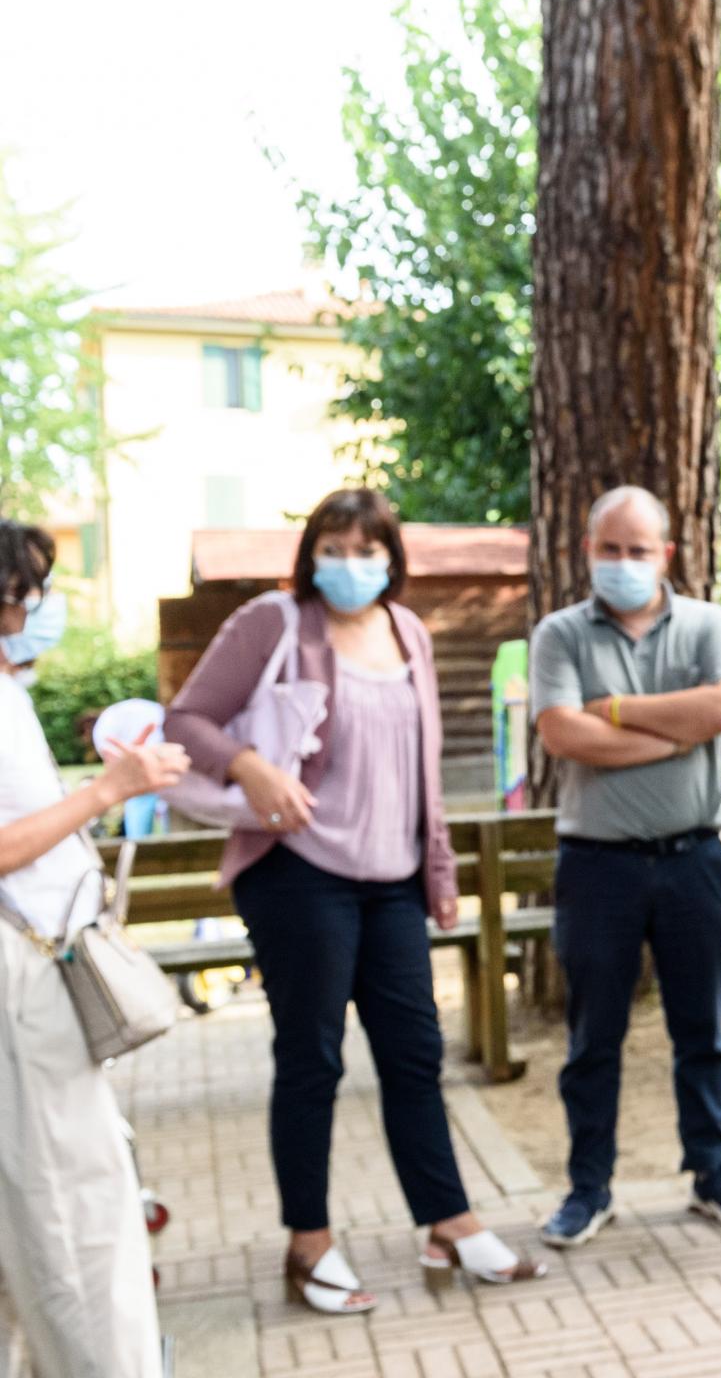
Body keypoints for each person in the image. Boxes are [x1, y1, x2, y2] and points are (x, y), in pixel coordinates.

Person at [168, 489, 545, 1314]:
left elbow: (426, 769)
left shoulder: (408, 629)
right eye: (332, 549)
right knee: (313, 1059)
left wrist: (437, 871)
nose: (350, 565)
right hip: (300, 873)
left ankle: (449, 1221)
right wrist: (249, 766)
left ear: (390, 556)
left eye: (366, 549)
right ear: (309, 556)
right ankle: (309, 1245)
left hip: (393, 882)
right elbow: (187, 718)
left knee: (416, 1056)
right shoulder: (273, 622)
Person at [531, 486, 721, 1244]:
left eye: (638, 549)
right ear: (586, 551)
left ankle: (712, 1172)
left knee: (704, 1030)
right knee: (593, 1038)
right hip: (597, 868)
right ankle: (588, 1187)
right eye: (610, 548)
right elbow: (563, 733)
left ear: (666, 554)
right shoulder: (560, 635)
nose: (623, 563)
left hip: (694, 859)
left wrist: (619, 711)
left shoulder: (708, 625)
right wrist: (676, 731)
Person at [0, 518, 185, 1377]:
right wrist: (110, 790)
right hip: (21, 982)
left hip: (45, 971)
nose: (33, 606)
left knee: (71, 1203)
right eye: (26, 588)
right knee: (68, 1213)